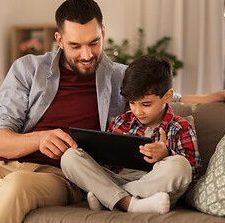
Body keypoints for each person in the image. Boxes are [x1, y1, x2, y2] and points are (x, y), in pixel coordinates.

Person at [0, 0, 225, 223]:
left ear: (103, 33)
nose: (87, 54)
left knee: (15, 187)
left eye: (94, 42)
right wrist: (39, 139)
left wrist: (221, 94)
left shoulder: (120, 77)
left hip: (57, 176)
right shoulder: (27, 70)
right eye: (76, 45)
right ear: (59, 39)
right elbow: (0, 143)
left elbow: (171, 98)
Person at [61, 55, 201, 214]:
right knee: (70, 157)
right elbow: (105, 166)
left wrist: (167, 154)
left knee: (180, 165)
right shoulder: (121, 122)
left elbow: (192, 172)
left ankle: (110, 199)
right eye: (132, 103)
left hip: (155, 184)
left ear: (167, 96)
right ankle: (129, 203)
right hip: (117, 179)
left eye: (146, 104)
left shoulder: (181, 127)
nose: (138, 111)